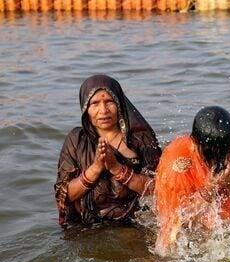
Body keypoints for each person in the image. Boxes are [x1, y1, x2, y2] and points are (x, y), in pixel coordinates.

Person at [154, 106, 230, 255]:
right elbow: (168, 242)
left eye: (228, 152)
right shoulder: (176, 169)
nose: (221, 161)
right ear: (194, 144)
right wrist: (210, 189)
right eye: (212, 156)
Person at [54, 75, 161, 228]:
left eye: (109, 102)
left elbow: (159, 188)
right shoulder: (77, 140)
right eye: (95, 103)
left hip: (133, 227)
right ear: (85, 108)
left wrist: (117, 169)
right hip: (87, 229)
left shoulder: (141, 139)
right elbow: (64, 196)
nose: (103, 110)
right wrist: (96, 168)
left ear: (119, 104)